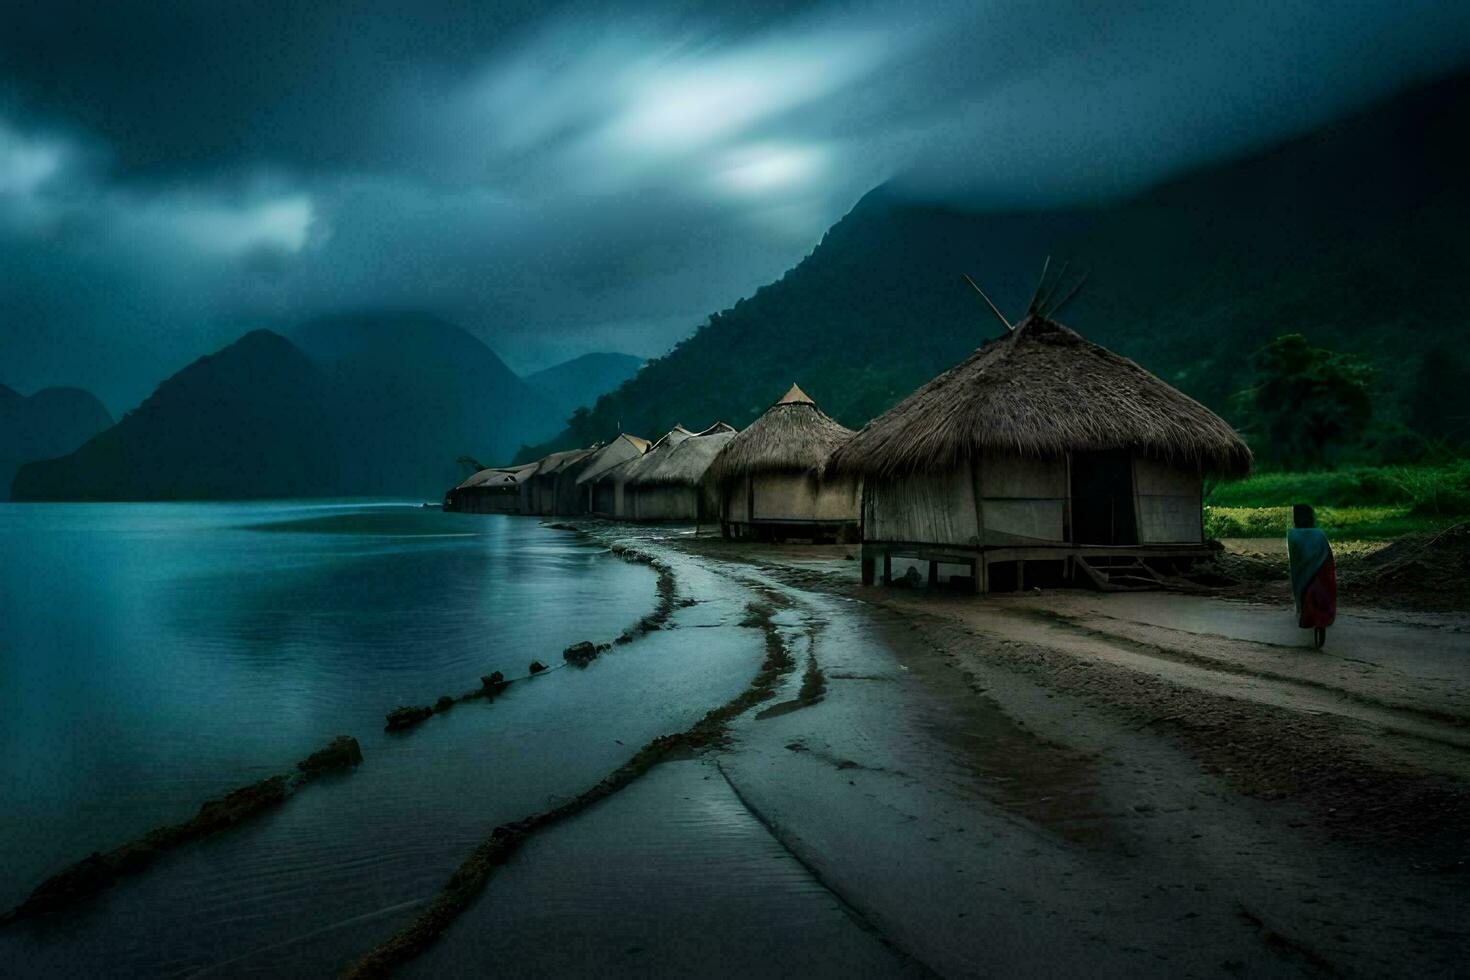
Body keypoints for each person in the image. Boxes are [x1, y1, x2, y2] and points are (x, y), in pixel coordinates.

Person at [1286, 504, 1336, 648]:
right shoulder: (1319, 534)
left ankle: (1307, 618)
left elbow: (1295, 560)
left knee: (1306, 598)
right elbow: (1328, 554)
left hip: (1303, 574)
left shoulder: (1292, 535)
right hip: (1323, 571)